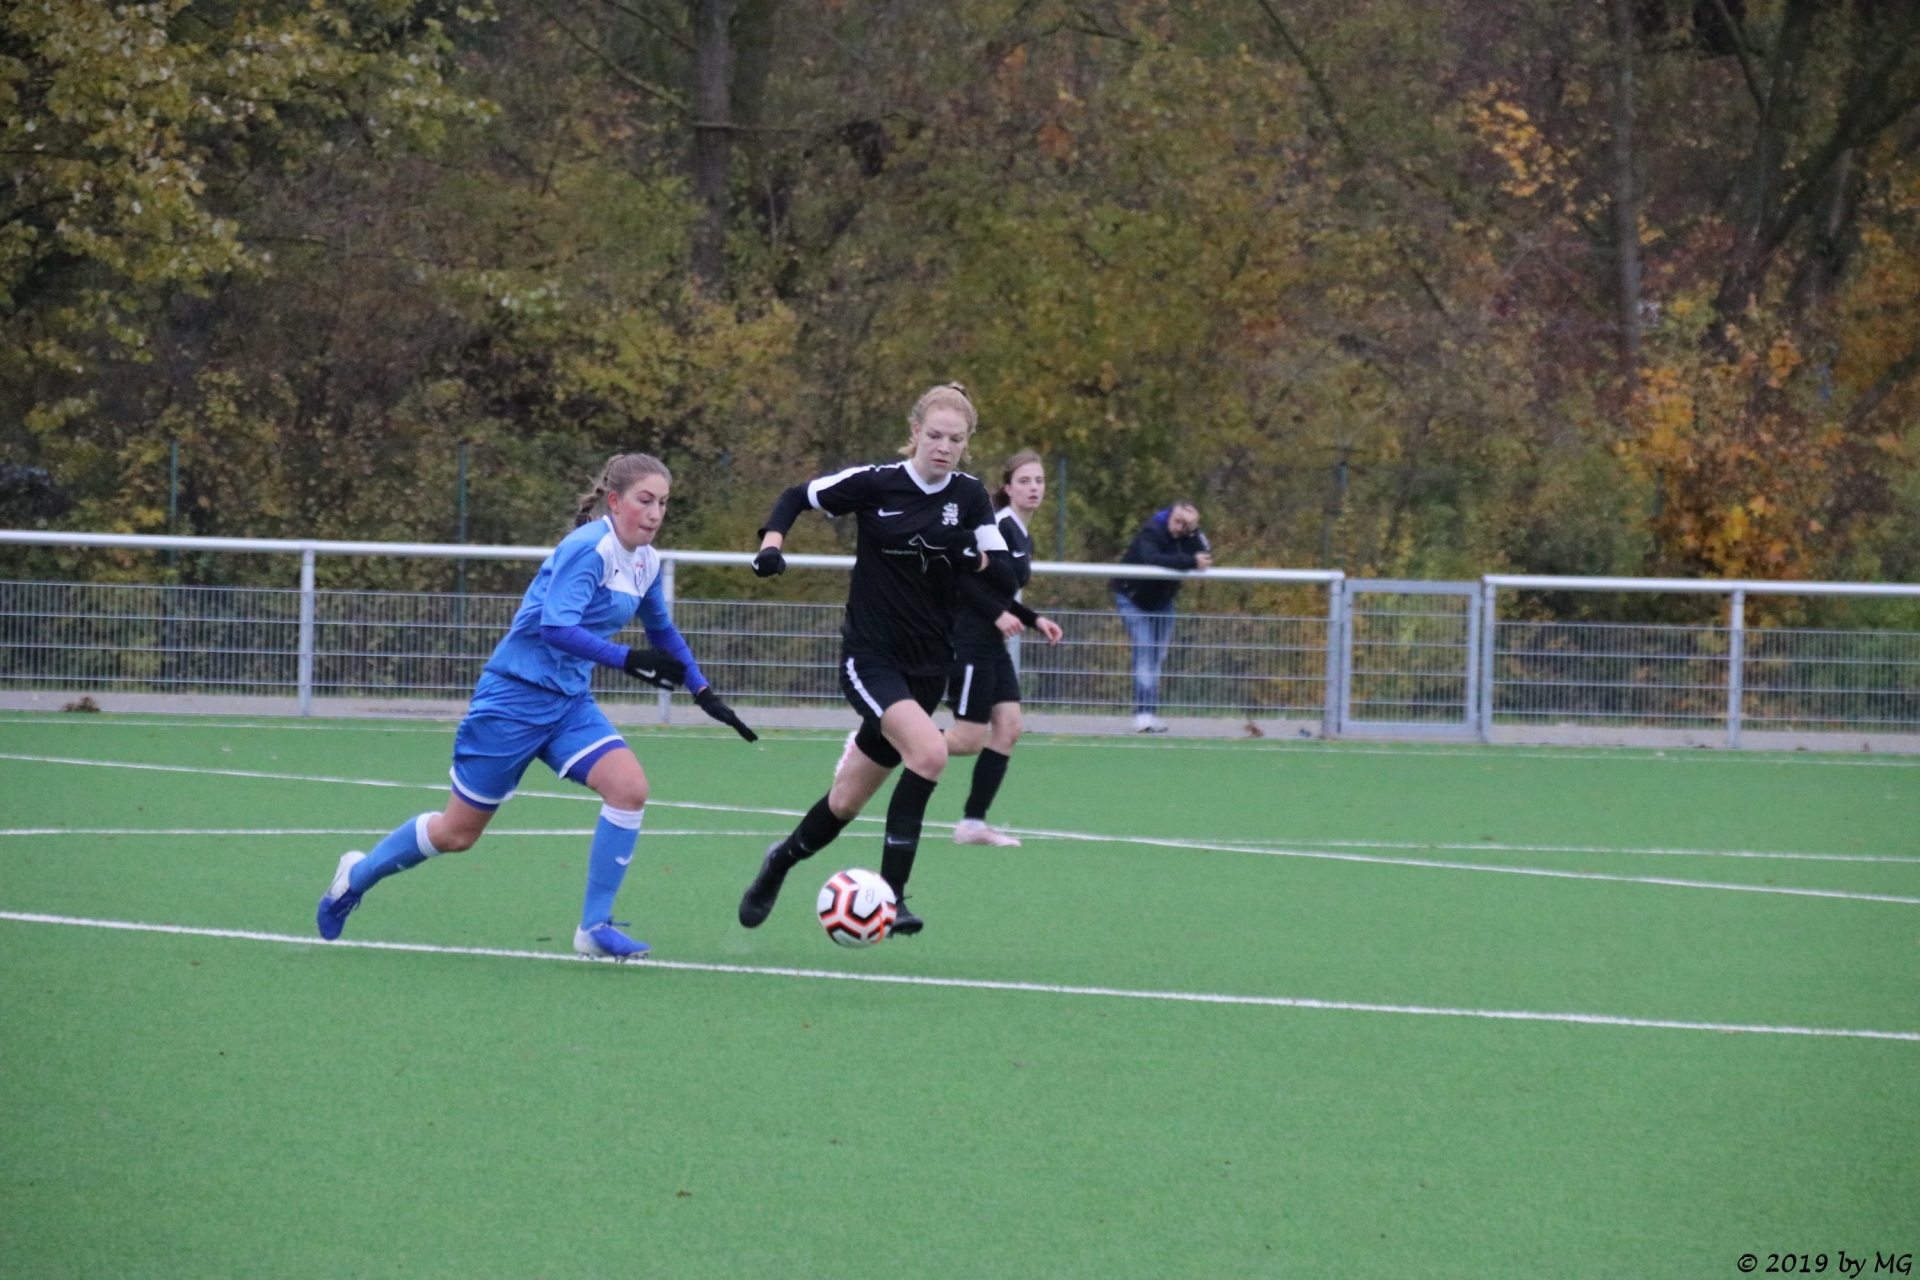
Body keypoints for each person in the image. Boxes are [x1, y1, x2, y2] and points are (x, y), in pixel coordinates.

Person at [315, 453, 757, 960]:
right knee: (456, 834)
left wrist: (703, 692)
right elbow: (555, 627)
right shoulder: (588, 548)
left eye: (663, 503)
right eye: (645, 500)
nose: (656, 513)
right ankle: (355, 876)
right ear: (615, 502)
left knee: (629, 789)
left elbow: (662, 632)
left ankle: (594, 927)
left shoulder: (646, 562)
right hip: (512, 700)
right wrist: (626, 658)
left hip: (569, 704)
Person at [736, 383, 1009, 936]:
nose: (944, 447)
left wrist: (972, 557)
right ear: (915, 432)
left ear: (967, 443)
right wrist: (771, 546)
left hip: (930, 667)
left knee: (845, 802)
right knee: (929, 753)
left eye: (956, 439)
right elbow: (795, 496)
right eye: (935, 435)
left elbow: (1004, 575)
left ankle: (778, 862)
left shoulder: (971, 497)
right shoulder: (876, 482)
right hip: (871, 658)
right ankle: (894, 898)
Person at [944, 449, 1063, 846]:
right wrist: (996, 614)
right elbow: (963, 578)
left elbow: (1000, 591)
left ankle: (972, 825)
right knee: (967, 740)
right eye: (1024, 481)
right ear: (1008, 488)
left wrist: (1034, 619)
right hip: (969, 640)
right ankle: (883, 739)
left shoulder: (1022, 533)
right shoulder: (997, 526)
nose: (1034, 488)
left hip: (992, 644)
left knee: (1009, 729)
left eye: (1039, 481)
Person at [1110, 501, 1211, 733]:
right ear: (1169, 516)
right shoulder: (1152, 531)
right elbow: (1153, 558)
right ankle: (1143, 714)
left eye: (1185, 525)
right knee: (1145, 651)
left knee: (1157, 655)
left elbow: (1205, 556)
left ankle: (1150, 712)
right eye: (1177, 521)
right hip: (1132, 598)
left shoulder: (1187, 535)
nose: (1179, 527)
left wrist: (1195, 531)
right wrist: (1190, 562)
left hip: (1163, 602)